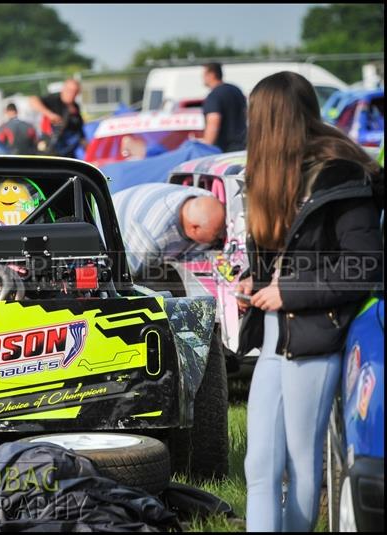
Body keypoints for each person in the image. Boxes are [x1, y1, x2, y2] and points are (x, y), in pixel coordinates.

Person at [237, 71, 383, 532]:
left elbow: (367, 267)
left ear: (269, 120)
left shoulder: (342, 175)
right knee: (259, 466)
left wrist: (287, 291)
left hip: (317, 338)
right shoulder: (269, 174)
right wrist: (252, 283)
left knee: (303, 464)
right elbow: (279, 259)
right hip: (275, 338)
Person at [112, 182, 225, 280]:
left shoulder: (206, 198)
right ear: (194, 228)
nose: (222, 236)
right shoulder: (152, 237)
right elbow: (125, 277)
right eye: (217, 233)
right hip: (108, 231)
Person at [29, 78, 85, 158]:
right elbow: (33, 100)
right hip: (49, 148)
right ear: (63, 89)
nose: (71, 94)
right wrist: (49, 114)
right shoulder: (54, 100)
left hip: (67, 150)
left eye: (75, 91)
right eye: (69, 90)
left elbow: (79, 131)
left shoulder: (75, 108)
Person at [199, 63, 247, 152]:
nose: (203, 78)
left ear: (212, 74)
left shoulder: (214, 95)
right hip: (242, 147)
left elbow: (213, 122)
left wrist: (205, 149)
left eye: (204, 75)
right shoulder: (236, 90)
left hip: (223, 151)